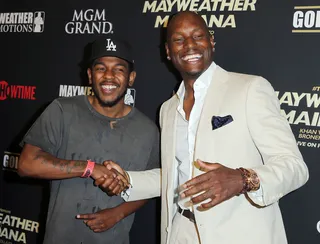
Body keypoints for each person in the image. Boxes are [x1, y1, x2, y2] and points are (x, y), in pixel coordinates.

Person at [99, 11, 309, 244]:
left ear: (211, 42)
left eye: (198, 36)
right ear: (168, 51)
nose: (189, 45)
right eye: (179, 39)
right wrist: (128, 180)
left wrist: (241, 179)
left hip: (240, 235)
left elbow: (294, 167)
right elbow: (175, 176)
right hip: (181, 231)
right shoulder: (168, 109)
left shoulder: (250, 89)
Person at [17, 37, 159, 244]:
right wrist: (90, 168)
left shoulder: (148, 130)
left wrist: (118, 213)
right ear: (90, 75)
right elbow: (26, 164)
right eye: (101, 68)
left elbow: (153, 183)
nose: (108, 76)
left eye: (119, 69)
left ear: (131, 78)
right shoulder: (62, 110)